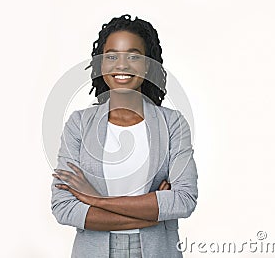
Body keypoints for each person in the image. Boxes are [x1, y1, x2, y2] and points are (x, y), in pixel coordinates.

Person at [51, 14, 198, 258]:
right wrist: (152, 214)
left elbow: (184, 200)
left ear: (148, 65)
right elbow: (64, 207)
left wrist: (94, 199)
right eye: (111, 56)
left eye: (133, 56)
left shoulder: (172, 123)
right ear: (101, 64)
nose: (122, 65)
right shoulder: (79, 124)